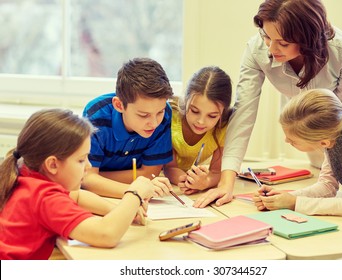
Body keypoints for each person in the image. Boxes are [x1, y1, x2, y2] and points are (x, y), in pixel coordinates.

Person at [193, 0, 342, 208]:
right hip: (316, 132)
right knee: (328, 181)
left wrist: (294, 202)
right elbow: (243, 114)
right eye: (266, 36)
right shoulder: (257, 51)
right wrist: (226, 183)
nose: (272, 49)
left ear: (307, 39)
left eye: (283, 43)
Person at [0, 109, 170, 260]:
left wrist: (120, 211)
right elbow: (106, 234)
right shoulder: (45, 196)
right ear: (52, 164)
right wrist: (135, 194)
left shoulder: (26, 175)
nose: (88, 166)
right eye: (81, 160)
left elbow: (77, 196)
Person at [253, 88, 342, 216]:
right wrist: (283, 198)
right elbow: (327, 186)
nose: (286, 140)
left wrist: (294, 203)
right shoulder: (332, 135)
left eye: (293, 140)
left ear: (323, 142)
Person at [82, 57, 174, 198]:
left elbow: (150, 173)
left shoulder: (165, 113)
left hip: (116, 193)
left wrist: (97, 177)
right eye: (143, 115)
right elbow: (86, 180)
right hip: (99, 197)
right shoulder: (96, 116)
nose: (155, 123)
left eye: (159, 112)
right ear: (119, 105)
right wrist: (136, 191)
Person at [163, 66, 233, 194]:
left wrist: (205, 182)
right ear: (186, 100)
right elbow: (169, 167)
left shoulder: (224, 127)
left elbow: (217, 172)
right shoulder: (171, 117)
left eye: (212, 116)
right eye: (194, 111)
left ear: (223, 112)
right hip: (162, 179)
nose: (201, 121)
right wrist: (184, 180)